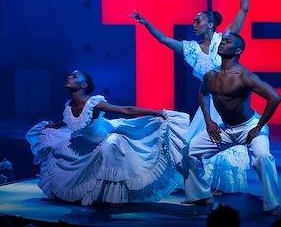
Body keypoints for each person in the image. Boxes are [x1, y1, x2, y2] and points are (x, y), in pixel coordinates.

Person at [130, 0, 251, 194]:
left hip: (228, 103)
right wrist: (146, 24)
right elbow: (165, 39)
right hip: (208, 104)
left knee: (223, 145)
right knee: (195, 146)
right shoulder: (192, 49)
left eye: (198, 21)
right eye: (194, 21)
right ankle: (201, 188)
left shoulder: (222, 40)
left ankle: (218, 186)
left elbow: (243, 10)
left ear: (210, 24)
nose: (193, 24)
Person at [26, 70, 189, 206]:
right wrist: (54, 126)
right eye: (70, 75)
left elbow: (126, 110)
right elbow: (70, 121)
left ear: (83, 85)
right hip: (88, 143)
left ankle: (114, 197)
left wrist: (158, 113)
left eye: (75, 76)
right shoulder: (69, 105)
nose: (69, 77)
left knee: (111, 145)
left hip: (109, 136)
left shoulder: (93, 103)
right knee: (59, 147)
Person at [182, 33, 281, 215]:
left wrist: (258, 128)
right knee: (189, 151)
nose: (222, 43)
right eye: (222, 41)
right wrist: (209, 121)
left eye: (227, 41)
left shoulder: (245, 76)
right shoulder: (211, 76)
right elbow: (202, 94)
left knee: (263, 157)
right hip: (225, 129)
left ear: (238, 50)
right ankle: (200, 195)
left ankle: (273, 205)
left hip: (249, 127)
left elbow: (275, 97)